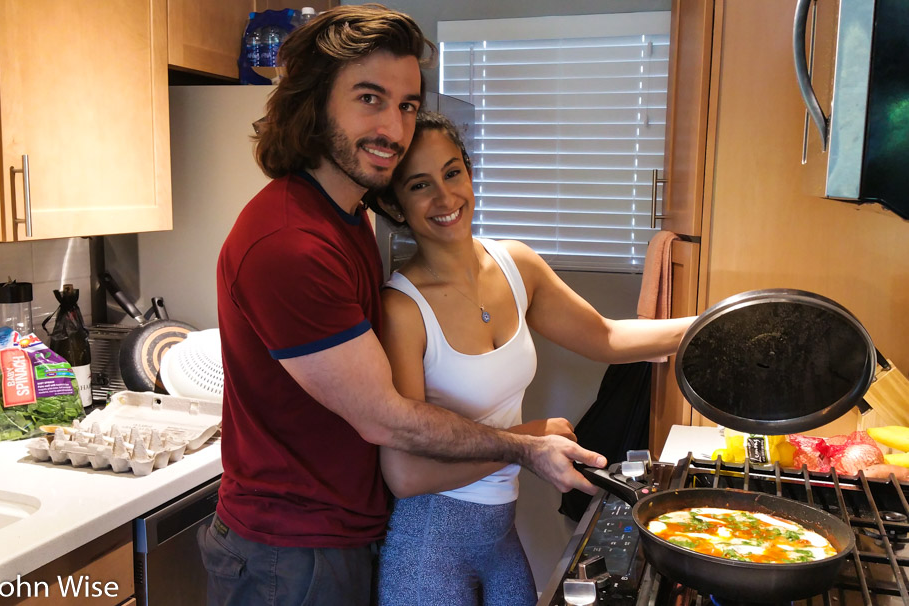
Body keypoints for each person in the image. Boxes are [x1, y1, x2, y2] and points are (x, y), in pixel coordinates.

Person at [200, 5, 606, 606]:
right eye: (370, 98)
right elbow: (385, 417)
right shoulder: (289, 243)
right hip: (290, 554)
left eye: (408, 104)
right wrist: (526, 446)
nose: (395, 128)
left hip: (343, 531)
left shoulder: (348, 215)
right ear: (315, 104)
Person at [371, 112, 695, 605]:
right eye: (420, 185)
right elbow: (407, 475)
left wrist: (718, 326)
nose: (445, 198)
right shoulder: (402, 309)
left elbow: (605, 336)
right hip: (429, 545)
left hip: (500, 530)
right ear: (397, 204)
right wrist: (528, 439)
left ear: (470, 172)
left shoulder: (515, 264)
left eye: (453, 172)